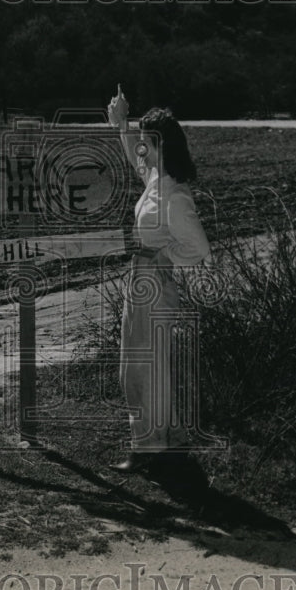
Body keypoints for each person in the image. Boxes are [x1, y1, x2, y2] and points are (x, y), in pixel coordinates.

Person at [107, 85, 211, 506]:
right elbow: (134, 158)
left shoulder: (175, 196)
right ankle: (165, 443)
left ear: (160, 146)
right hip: (142, 280)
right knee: (142, 366)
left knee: (144, 369)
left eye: (146, 142)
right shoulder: (155, 179)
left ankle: (149, 449)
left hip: (156, 283)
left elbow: (198, 249)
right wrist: (121, 123)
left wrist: (164, 255)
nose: (141, 149)